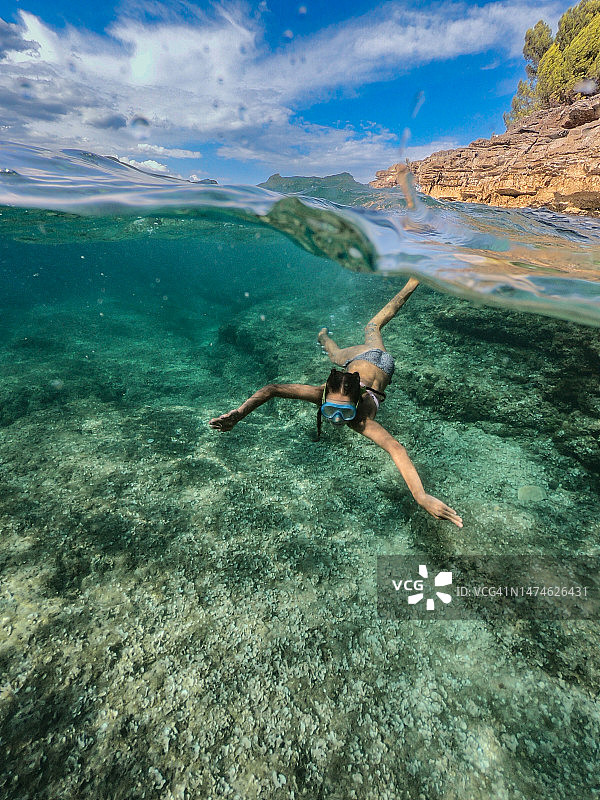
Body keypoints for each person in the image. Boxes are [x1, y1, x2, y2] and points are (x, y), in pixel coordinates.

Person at [209, 277, 463, 528]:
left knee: (363, 334)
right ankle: (411, 282)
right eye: (330, 410)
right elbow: (273, 389)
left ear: (358, 402)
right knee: (367, 331)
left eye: (343, 411)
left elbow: (396, 449)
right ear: (324, 396)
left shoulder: (361, 419)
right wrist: (239, 414)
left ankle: (410, 283)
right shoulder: (321, 394)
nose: (337, 419)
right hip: (368, 362)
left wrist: (421, 496)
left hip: (378, 360)